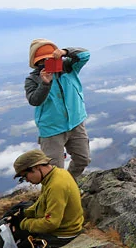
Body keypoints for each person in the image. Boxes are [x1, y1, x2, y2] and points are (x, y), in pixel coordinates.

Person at [24, 39, 92, 176]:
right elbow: (34, 101)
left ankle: (69, 184)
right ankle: (57, 192)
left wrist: (66, 51)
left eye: (51, 58)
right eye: (43, 60)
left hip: (76, 122)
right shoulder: (33, 79)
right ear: (37, 63)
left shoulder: (68, 67)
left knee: (83, 159)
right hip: (51, 129)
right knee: (53, 171)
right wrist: (45, 84)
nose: (48, 62)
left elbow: (85, 55)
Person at [9, 149, 84, 248]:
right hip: (64, 228)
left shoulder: (56, 185)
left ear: (36, 167)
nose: (26, 180)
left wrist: (23, 224)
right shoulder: (55, 175)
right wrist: (24, 214)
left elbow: (51, 223)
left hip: (62, 235)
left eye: (25, 176)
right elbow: (41, 202)